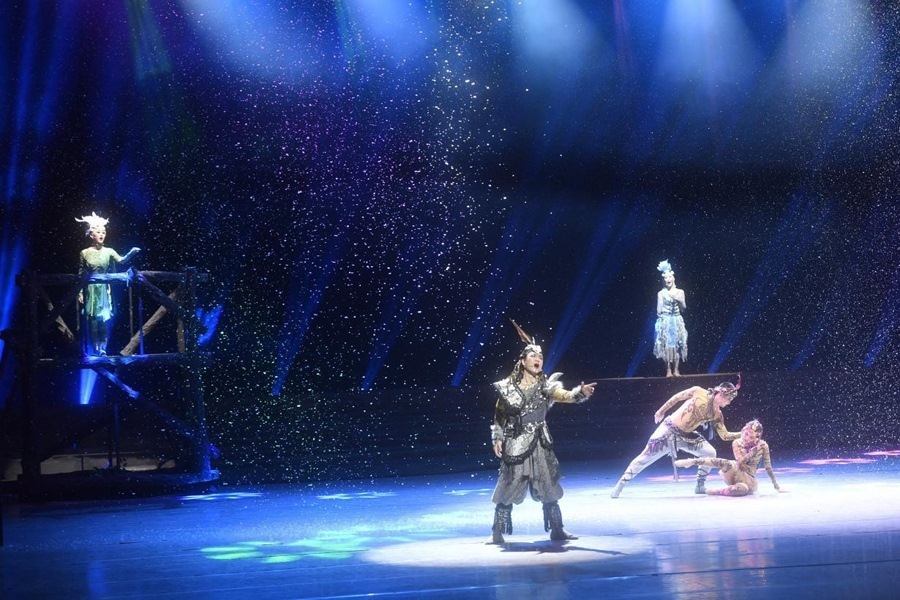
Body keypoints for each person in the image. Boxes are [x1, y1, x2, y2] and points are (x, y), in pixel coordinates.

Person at [489, 320, 596, 545]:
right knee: (509, 485)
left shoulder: (546, 386)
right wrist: (497, 438)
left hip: (540, 442)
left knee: (548, 485)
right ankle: (497, 532)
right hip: (516, 442)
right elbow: (500, 414)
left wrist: (580, 392)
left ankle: (557, 529)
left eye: (540, 356)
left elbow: (565, 396)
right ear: (522, 361)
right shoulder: (508, 387)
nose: (538, 359)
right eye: (533, 356)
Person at [610, 377, 742, 498]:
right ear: (722, 393)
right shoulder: (698, 391)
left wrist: (744, 433)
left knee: (710, 453)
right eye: (729, 399)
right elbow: (677, 397)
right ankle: (621, 483)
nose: (729, 402)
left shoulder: (717, 414)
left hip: (687, 436)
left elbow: (724, 435)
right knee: (644, 458)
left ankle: (700, 485)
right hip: (668, 431)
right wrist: (660, 411)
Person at [76, 212, 140, 356]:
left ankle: (103, 348)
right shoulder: (84, 253)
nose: (102, 234)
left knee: (103, 319)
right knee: (93, 320)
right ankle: (95, 349)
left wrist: (131, 253)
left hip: (104, 289)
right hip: (91, 289)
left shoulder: (109, 251)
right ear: (91, 235)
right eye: (98, 232)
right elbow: (81, 273)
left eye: (103, 232)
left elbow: (121, 260)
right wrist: (79, 292)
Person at [675, 419, 782, 496]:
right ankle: (693, 461)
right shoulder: (737, 442)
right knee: (725, 463)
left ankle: (715, 491)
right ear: (743, 431)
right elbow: (740, 462)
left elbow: (768, 467)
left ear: (757, 437)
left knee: (739, 490)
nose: (746, 438)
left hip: (749, 479)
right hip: (735, 471)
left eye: (751, 437)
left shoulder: (763, 446)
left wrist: (776, 485)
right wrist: (752, 453)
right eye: (745, 434)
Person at [654, 260, 687, 377]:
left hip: (677, 320)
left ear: (673, 278)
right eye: (665, 278)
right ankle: (668, 370)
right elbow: (659, 310)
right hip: (666, 321)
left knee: (677, 345)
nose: (668, 279)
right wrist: (661, 316)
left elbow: (683, 309)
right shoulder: (661, 293)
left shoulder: (680, 292)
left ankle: (676, 370)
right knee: (666, 347)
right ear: (663, 280)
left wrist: (679, 301)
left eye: (669, 277)